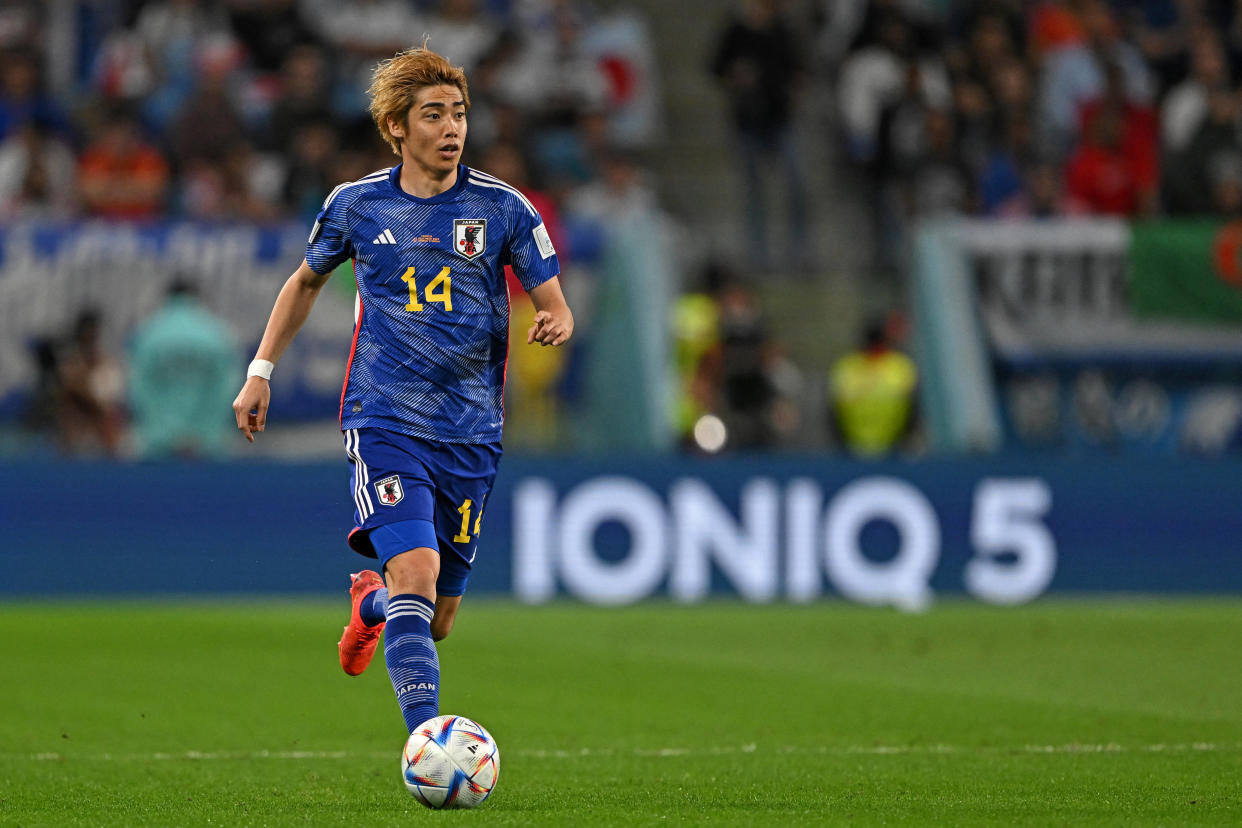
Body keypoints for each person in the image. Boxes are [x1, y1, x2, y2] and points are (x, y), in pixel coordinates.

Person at [231, 46, 573, 737]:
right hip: (383, 417)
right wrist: (259, 371)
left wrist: (553, 315)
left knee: (436, 618)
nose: (452, 128)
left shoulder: (502, 209)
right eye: (434, 115)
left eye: (460, 114)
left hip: (472, 430)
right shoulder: (356, 206)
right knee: (415, 572)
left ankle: (370, 605)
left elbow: (555, 300)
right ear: (397, 128)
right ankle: (427, 740)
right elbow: (304, 282)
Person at [129, 280, 239, 459]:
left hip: (159, 445)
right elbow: (227, 389)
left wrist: (164, 433)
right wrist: (204, 433)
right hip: (208, 446)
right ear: (197, 298)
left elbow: (139, 390)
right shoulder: (218, 335)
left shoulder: (147, 335)